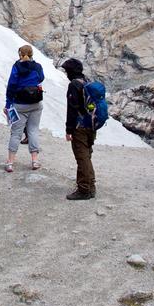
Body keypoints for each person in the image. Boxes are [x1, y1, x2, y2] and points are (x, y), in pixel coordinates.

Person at [5, 44, 45, 173]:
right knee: (33, 130)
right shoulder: (37, 67)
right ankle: (34, 160)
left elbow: (11, 85)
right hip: (36, 103)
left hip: (20, 104)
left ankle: (10, 163)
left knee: (16, 133)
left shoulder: (16, 67)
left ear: (20, 55)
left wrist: (7, 104)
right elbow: (41, 78)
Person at [61, 58, 96, 200]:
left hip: (79, 127)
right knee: (86, 156)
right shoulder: (87, 82)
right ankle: (90, 186)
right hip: (91, 125)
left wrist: (69, 130)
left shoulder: (74, 85)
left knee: (81, 158)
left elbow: (72, 110)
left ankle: (84, 189)